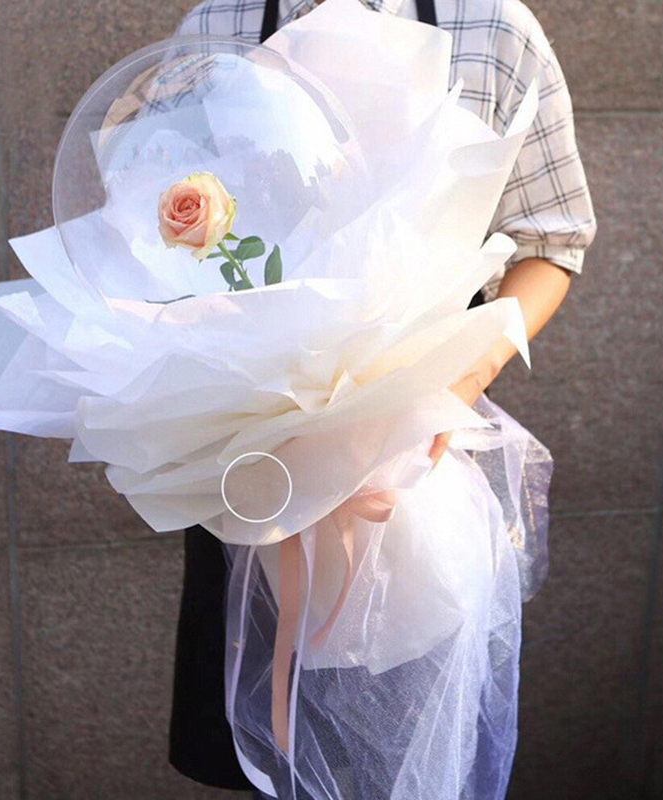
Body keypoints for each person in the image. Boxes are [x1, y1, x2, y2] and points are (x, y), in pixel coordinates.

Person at [167, 0, 597, 796]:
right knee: (256, 753)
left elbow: (552, 239)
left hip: (413, 473)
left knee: (404, 747)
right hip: (254, 469)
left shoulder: (492, 28)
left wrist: (452, 385)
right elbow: (153, 238)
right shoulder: (218, 25)